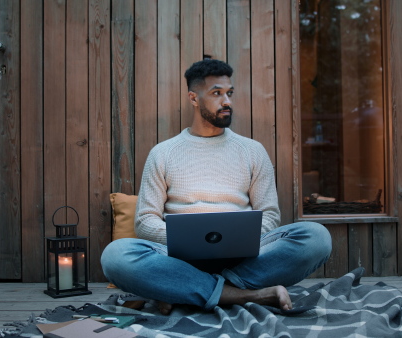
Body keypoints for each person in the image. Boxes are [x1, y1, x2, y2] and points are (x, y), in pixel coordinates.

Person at [101, 59, 332, 315]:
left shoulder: (253, 151)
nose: (227, 102)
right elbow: (144, 221)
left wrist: (239, 240)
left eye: (229, 93)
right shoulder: (163, 153)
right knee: (116, 256)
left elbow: (270, 214)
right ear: (193, 98)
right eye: (216, 93)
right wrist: (185, 242)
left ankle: (184, 291)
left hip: (244, 258)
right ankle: (246, 295)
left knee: (316, 237)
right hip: (177, 259)